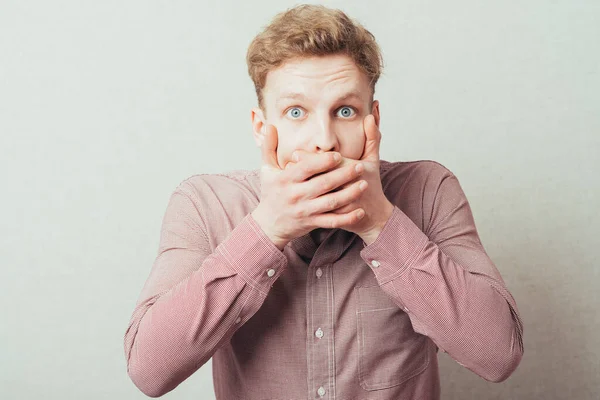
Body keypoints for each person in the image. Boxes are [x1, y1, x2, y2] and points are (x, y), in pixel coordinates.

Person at [123, 4, 524, 399]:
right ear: (262, 129)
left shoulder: (429, 189)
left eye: (345, 111)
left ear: (374, 120)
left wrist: (379, 224)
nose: (325, 139)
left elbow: (498, 356)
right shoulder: (203, 203)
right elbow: (149, 371)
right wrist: (267, 230)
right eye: (296, 111)